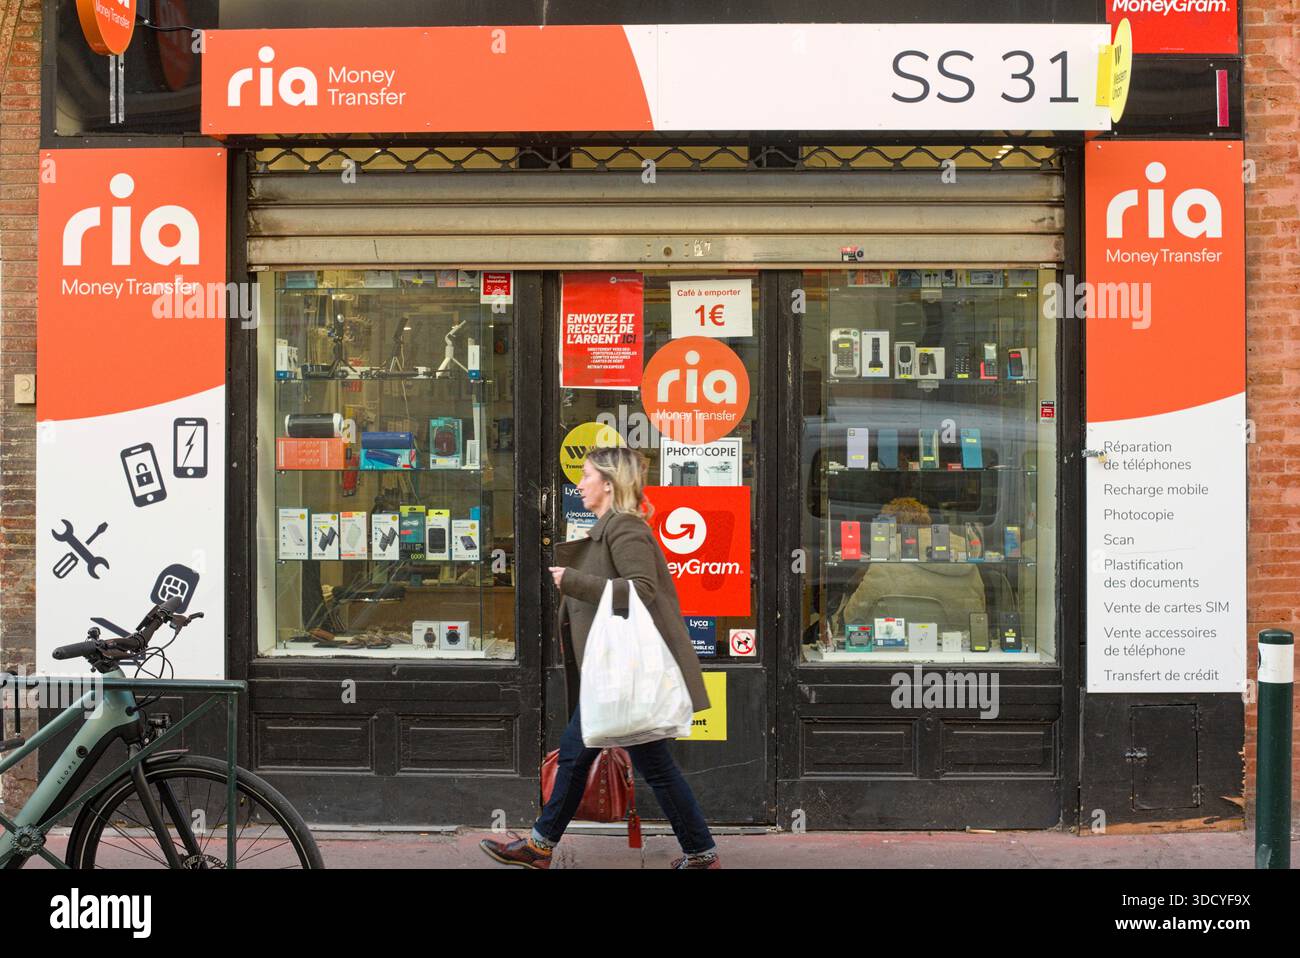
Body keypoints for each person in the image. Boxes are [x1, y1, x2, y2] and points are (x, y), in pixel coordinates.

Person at [480, 446, 719, 869]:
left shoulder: (625, 528)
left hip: (624, 675)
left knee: (589, 756)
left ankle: (541, 845)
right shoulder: (610, 527)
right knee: (609, 759)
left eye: (587, 475)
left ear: (608, 484)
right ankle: (698, 853)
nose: (580, 484)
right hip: (615, 676)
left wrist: (575, 582)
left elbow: (643, 589)